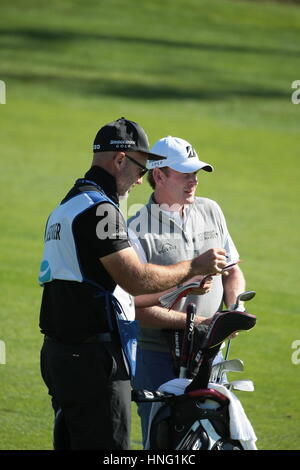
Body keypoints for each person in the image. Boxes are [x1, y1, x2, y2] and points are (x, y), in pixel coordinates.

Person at [38, 119, 228, 450]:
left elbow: (107, 288)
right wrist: (192, 267)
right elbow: (135, 279)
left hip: (62, 355)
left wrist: (181, 289)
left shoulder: (67, 204)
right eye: (141, 168)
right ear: (121, 160)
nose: (142, 180)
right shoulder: (101, 212)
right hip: (94, 361)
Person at [128, 135, 246, 446]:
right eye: (184, 174)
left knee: (215, 435)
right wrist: (198, 324)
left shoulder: (211, 210)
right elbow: (135, 307)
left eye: (195, 173)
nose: (193, 181)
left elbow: (233, 270)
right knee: (163, 440)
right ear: (159, 175)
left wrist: (232, 310)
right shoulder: (137, 229)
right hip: (158, 356)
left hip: (210, 350)